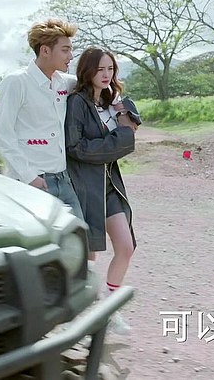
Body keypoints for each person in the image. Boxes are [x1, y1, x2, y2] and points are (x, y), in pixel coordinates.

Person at [65, 47, 138, 334]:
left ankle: (109, 309)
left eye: (110, 69)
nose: (106, 75)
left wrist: (122, 108)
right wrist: (120, 139)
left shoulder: (110, 102)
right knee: (90, 255)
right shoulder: (77, 103)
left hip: (110, 185)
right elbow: (75, 147)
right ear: (88, 71)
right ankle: (89, 316)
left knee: (126, 247)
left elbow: (131, 127)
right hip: (86, 185)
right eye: (100, 69)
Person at [0, 18, 83, 219]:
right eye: (65, 50)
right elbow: (3, 136)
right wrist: (30, 178)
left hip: (63, 179)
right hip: (32, 182)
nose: (70, 56)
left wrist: (123, 111)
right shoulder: (17, 82)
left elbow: (96, 84)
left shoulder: (64, 82)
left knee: (80, 235)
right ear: (45, 50)